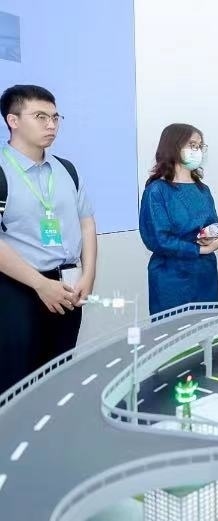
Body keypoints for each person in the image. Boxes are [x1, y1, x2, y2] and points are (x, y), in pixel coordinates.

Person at [0, 84, 97, 392]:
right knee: (17, 382)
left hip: (67, 287)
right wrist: (40, 284)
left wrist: (89, 274)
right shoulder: (2, 170)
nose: (51, 125)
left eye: (55, 117)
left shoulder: (66, 169)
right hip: (18, 290)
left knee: (58, 377)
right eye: (40, 116)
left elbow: (86, 223)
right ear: (13, 120)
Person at [139, 123, 218, 315]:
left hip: (204, 273)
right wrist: (199, 249)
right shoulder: (157, 190)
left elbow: (214, 223)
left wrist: (214, 235)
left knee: (206, 327)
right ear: (174, 147)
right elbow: (158, 239)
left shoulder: (203, 190)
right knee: (174, 330)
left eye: (200, 146)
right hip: (171, 277)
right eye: (192, 145)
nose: (197, 151)